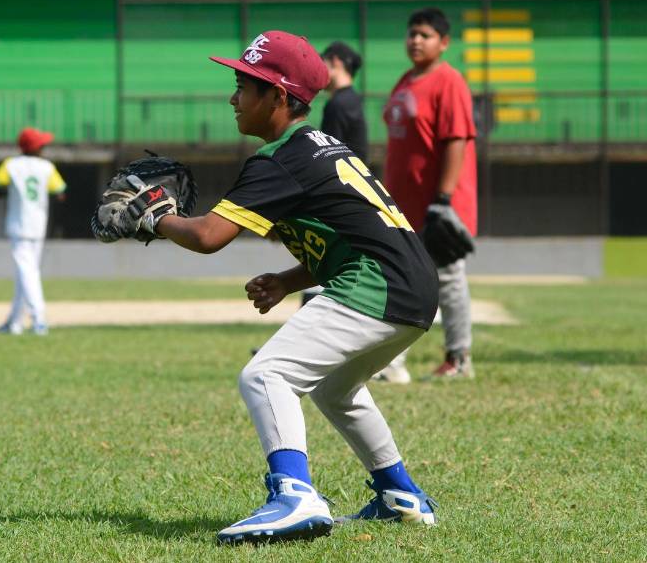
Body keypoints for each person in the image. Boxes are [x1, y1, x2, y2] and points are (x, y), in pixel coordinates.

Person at [124, 31, 439, 545]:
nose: (233, 98)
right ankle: (400, 496)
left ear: (278, 95)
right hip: (412, 286)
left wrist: (157, 219)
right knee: (336, 389)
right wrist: (291, 279)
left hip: (377, 285)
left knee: (265, 375)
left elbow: (208, 238)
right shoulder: (321, 148)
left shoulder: (282, 159)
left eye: (243, 86)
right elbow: (350, 235)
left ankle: (294, 496)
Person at [379, 7, 478, 382]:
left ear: (444, 43)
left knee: (448, 278)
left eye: (425, 35)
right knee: (400, 278)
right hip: (403, 204)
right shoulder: (406, 80)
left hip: (437, 202)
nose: (416, 40)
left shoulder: (448, 81)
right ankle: (390, 364)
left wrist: (444, 199)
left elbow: (457, 140)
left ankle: (459, 357)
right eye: (411, 33)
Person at [298, 41, 370, 307]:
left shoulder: (338, 104)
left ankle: (303, 339)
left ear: (336, 62)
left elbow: (328, 158)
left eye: (322, 63)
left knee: (322, 263)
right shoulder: (351, 100)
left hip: (342, 193)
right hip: (354, 191)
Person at [0, 127, 67, 335]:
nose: (44, 147)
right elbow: (60, 192)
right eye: (41, 145)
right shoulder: (47, 166)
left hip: (18, 224)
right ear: (35, 147)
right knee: (25, 273)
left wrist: (6, 192)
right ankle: (14, 322)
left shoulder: (11, 165)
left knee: (27, 272)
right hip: (38, 225)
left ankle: (38, 319)